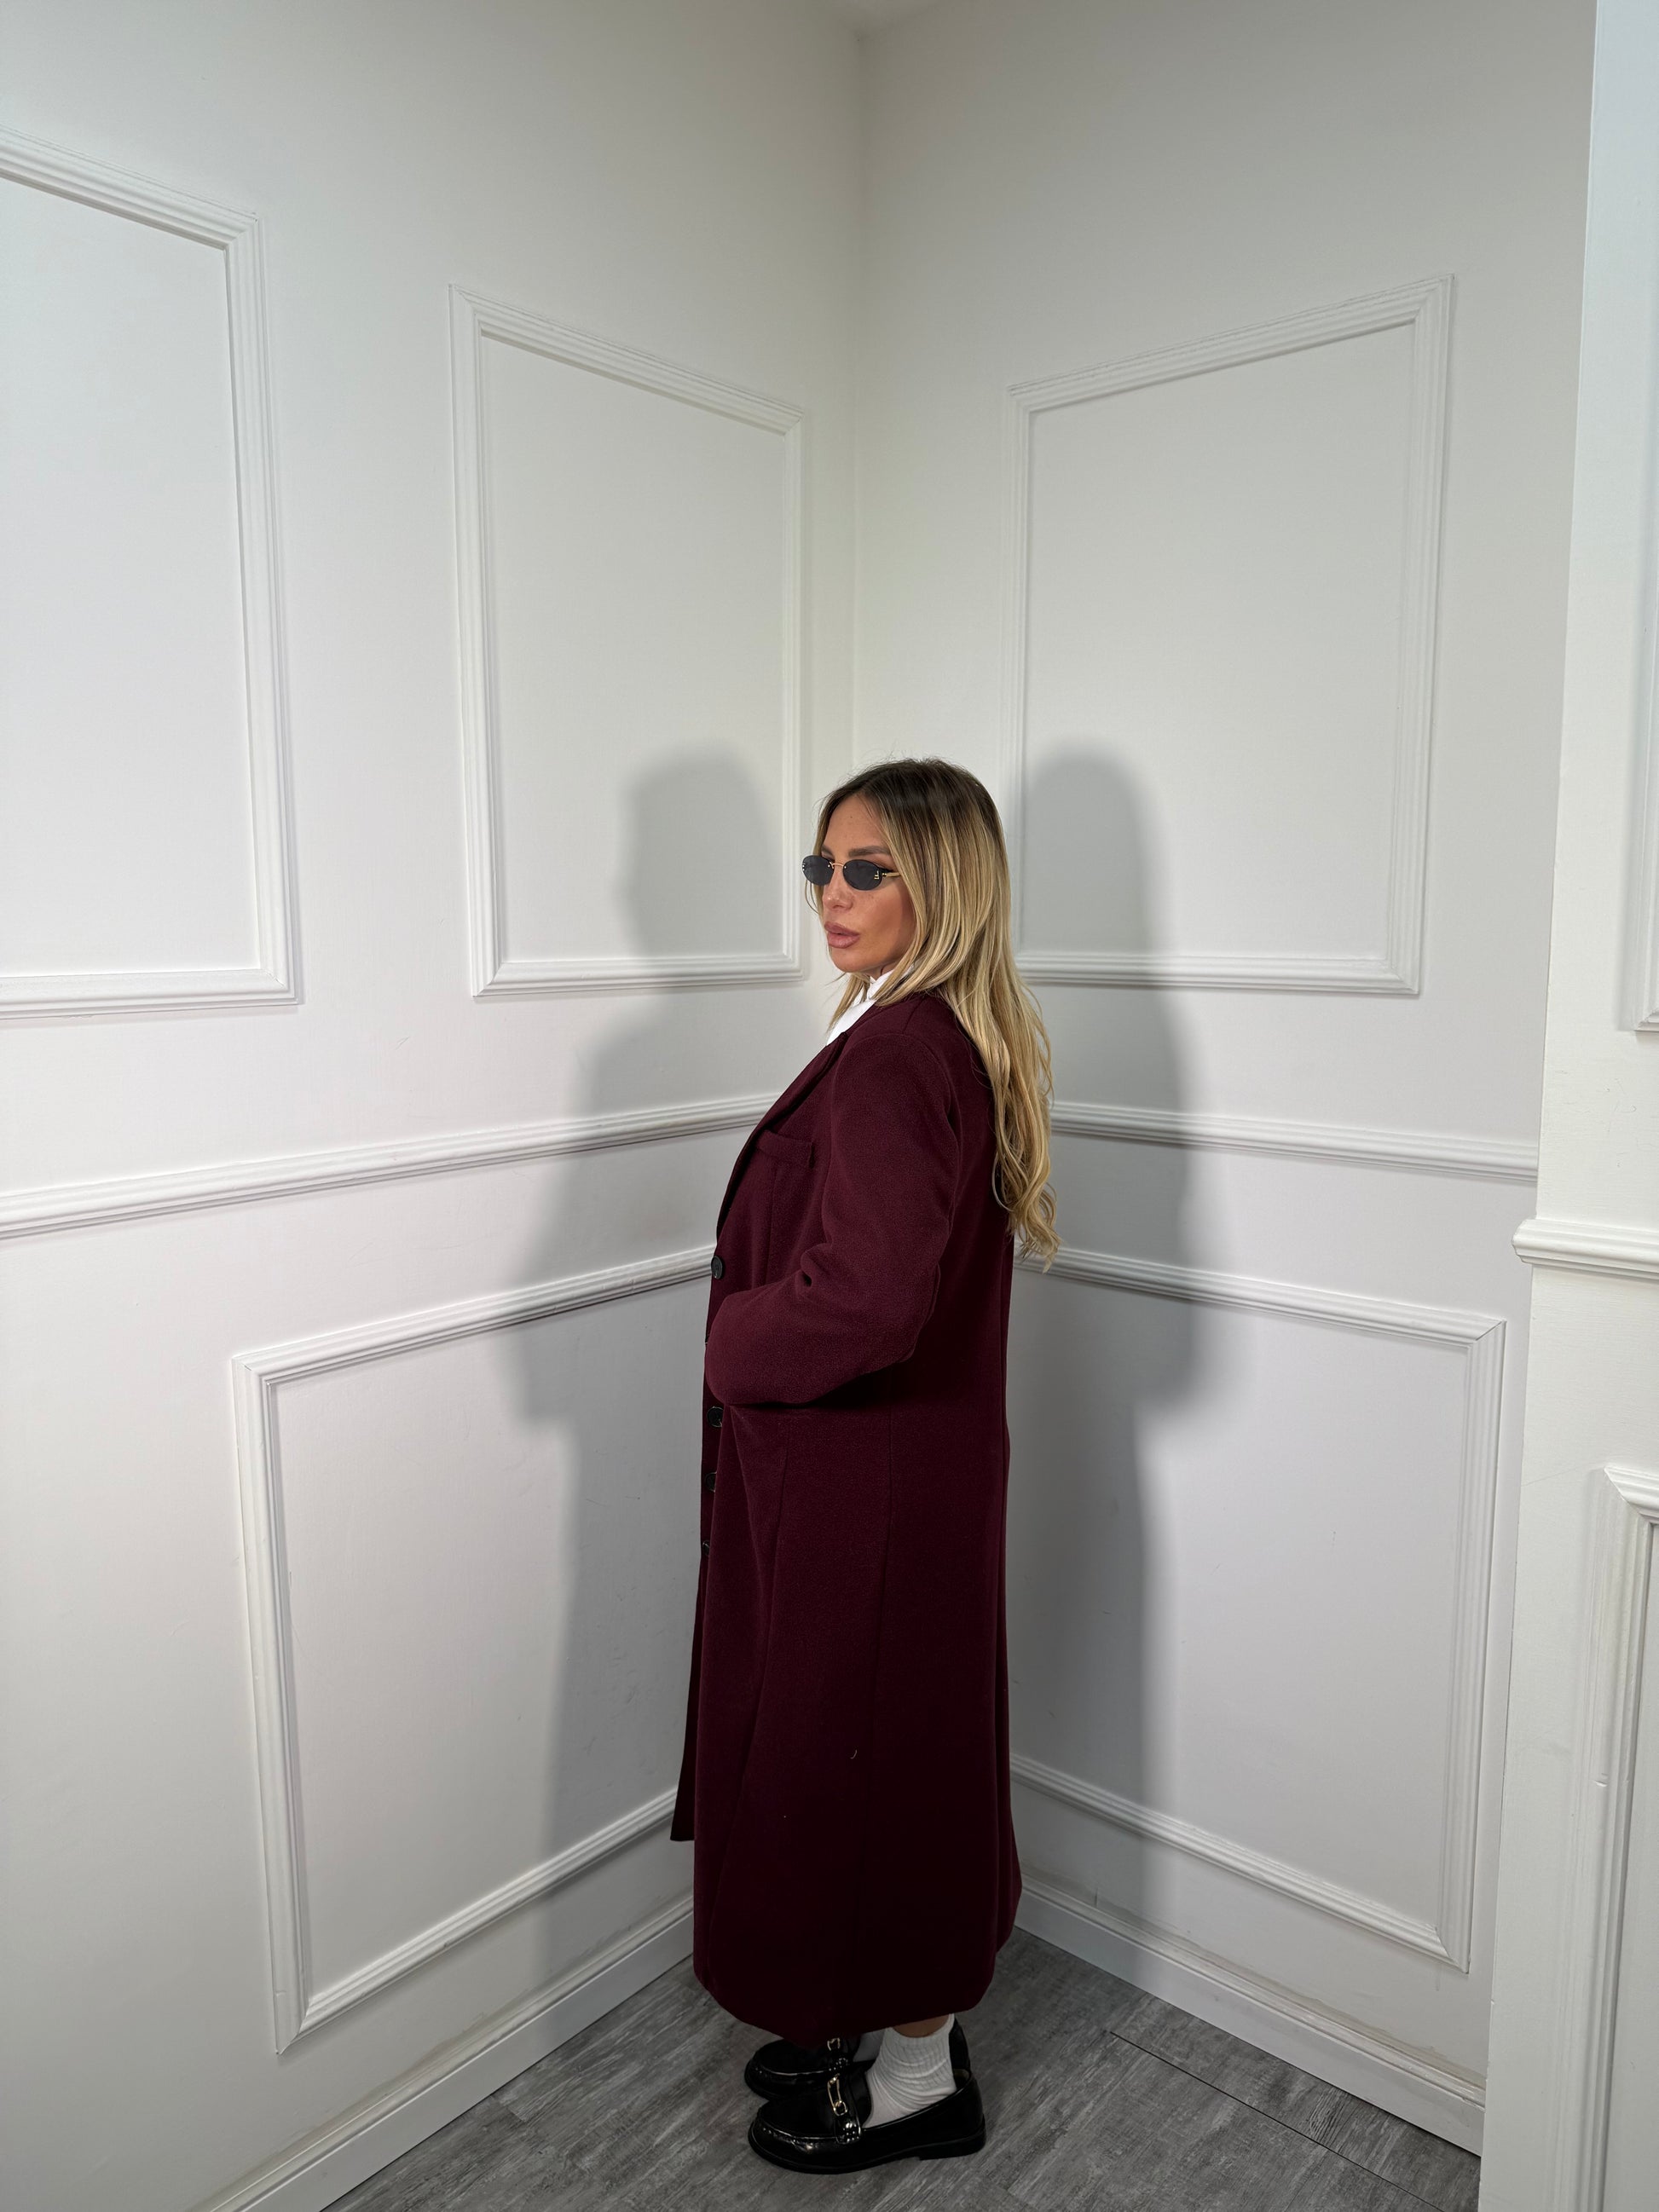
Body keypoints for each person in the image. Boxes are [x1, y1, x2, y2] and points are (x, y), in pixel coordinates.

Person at [667, 756, 1058, 2174]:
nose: (832, 895)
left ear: (940, 884)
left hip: (864, 1492)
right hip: (896, 1482)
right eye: (821, 866)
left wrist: (731, 1342)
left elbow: (869, 1300)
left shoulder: (901, 1052)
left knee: (877, 1774)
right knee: (880, 1758)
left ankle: (915, 2082)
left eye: (867, 870)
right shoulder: (938, 1035)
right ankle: (874, 2023)